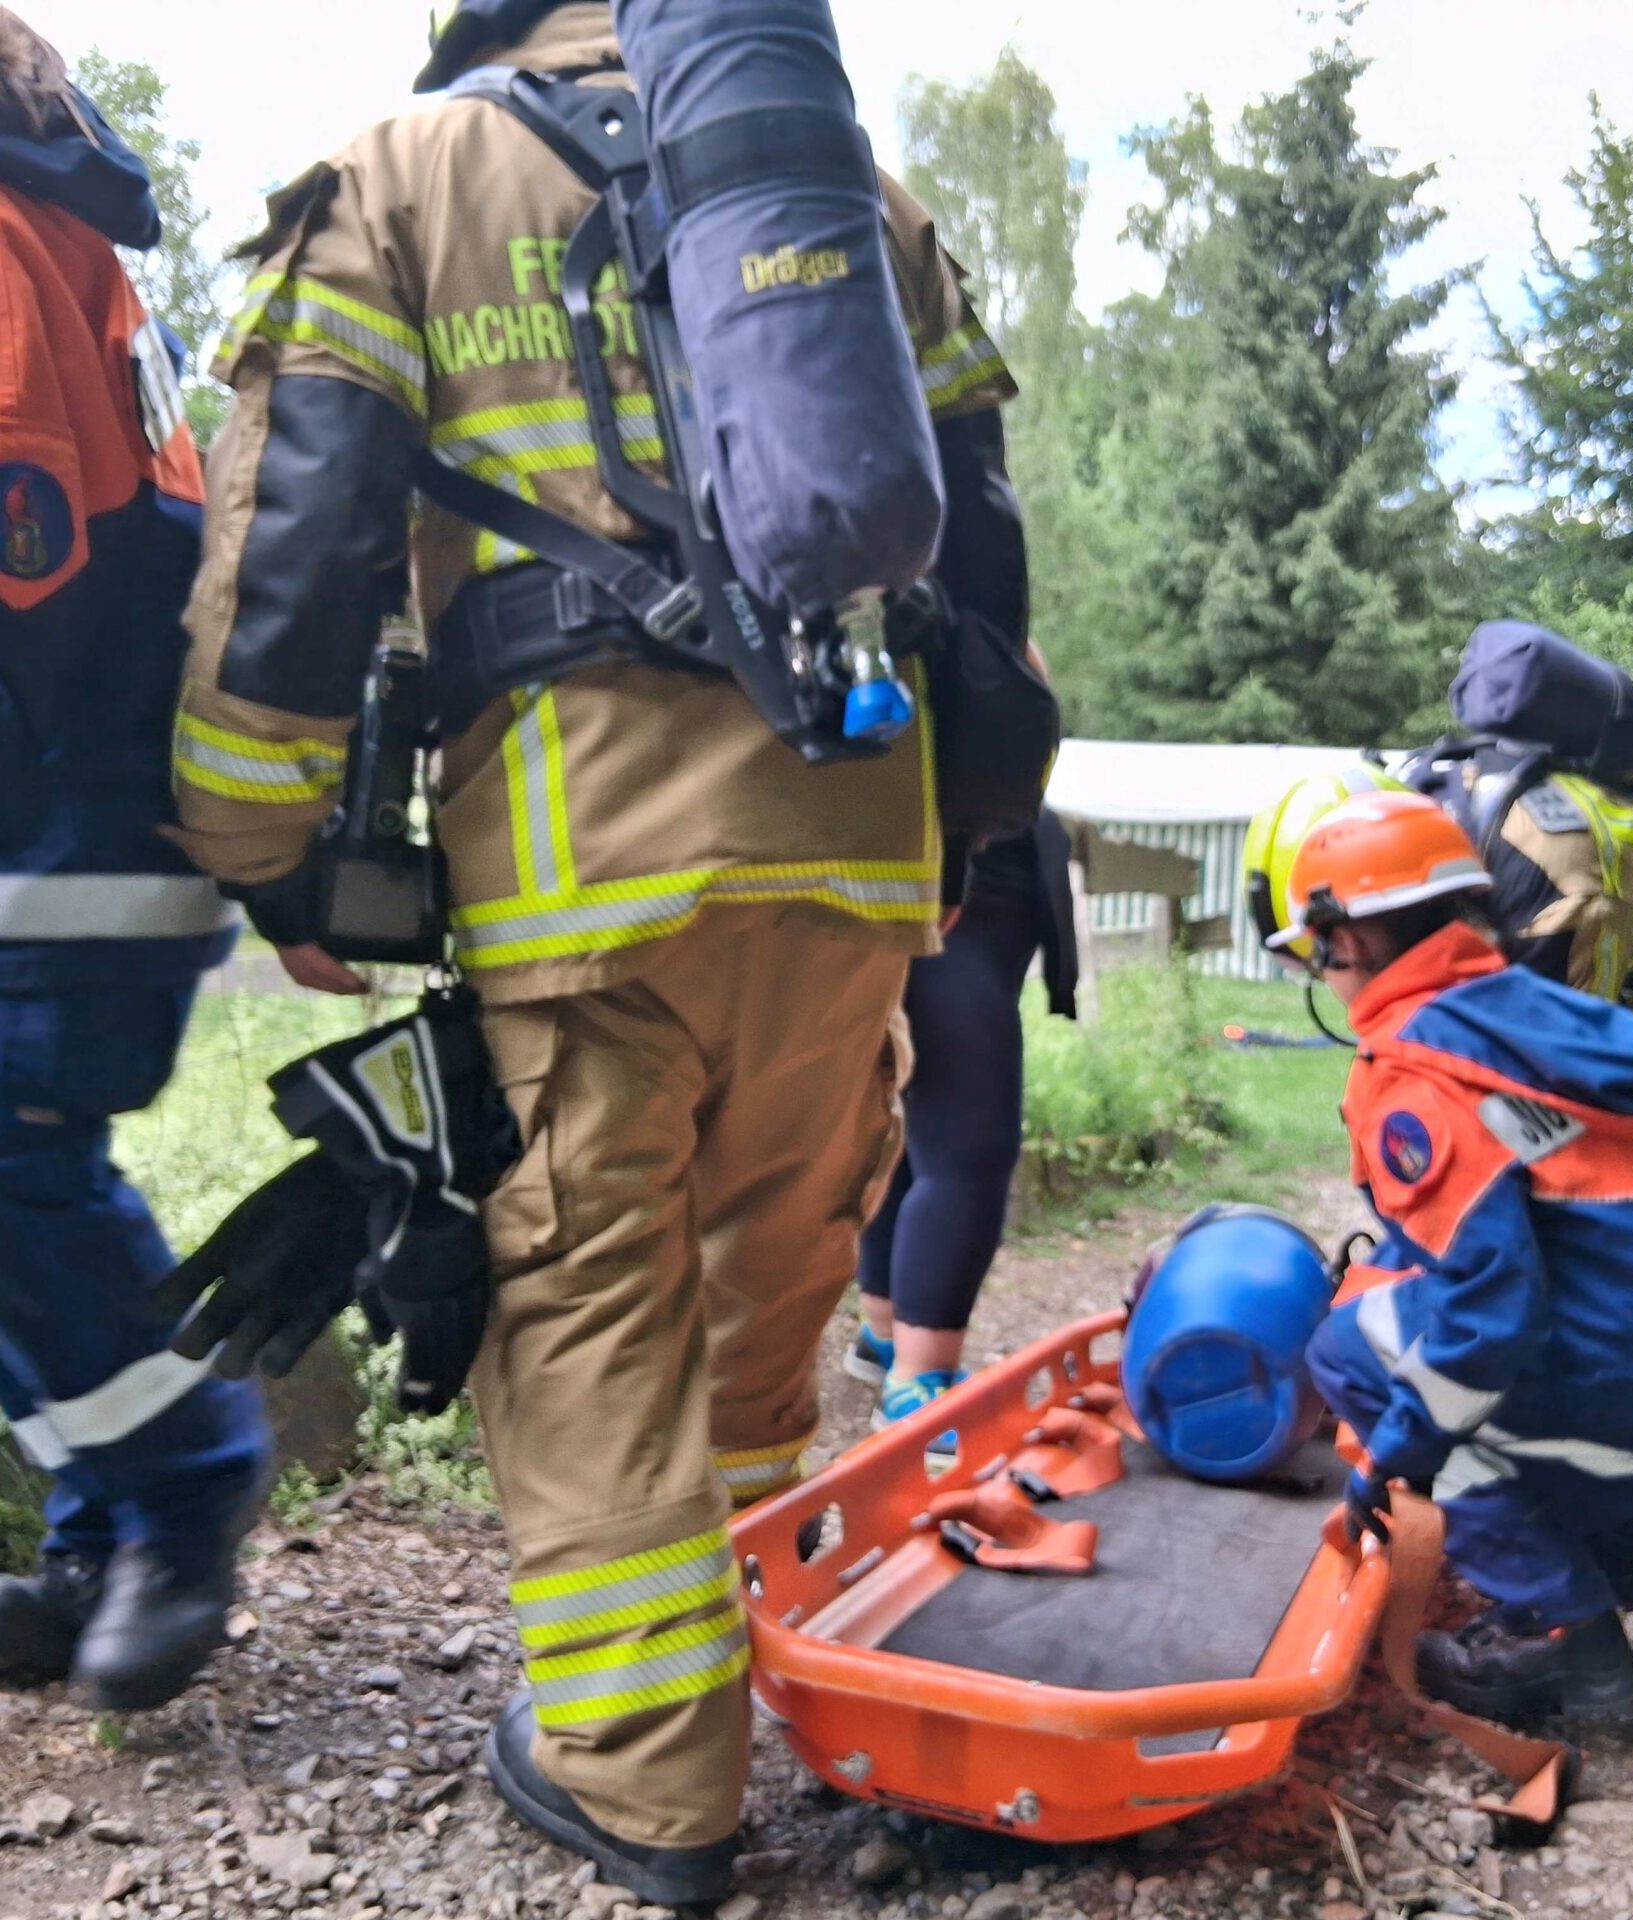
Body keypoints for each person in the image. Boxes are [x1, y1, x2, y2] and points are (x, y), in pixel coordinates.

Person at [166, 0, 1022, 1901]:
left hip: (582, 868)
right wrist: (963, 830)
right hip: (855, 837)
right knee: (765, 1273)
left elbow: (296, 546)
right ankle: (766, 1653)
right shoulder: (846, 189)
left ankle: (645, 1778)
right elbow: (981, 551)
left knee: (590, 1302)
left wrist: (263, 851)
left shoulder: (407, 176)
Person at [1257, 790, 1633, 1729]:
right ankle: (1614, 1546)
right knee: (1414, 1314)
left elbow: (1493, 1309)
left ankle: (1572, 1649)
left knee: (1354, 1356)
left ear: (1345, 939)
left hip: (1624, 1349)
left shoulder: (1417, 1070)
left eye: (1316, 954)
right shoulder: (1518, 1010)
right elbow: (1520, 1202)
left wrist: (1394, 1455)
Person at [0, 11, 269, 1711]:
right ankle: (107, 1531)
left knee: (11, 1159)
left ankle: (185, 1482)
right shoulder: (53, 223)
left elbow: (26, 577)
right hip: (90, 793)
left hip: (65, 810)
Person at [1247, 750, 1633, 1132]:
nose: (1337, 971)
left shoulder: (1539, 900)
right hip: (1591, 934)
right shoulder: (1432, 846)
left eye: (1328, 955)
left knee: (1631, 1164)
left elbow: (1562, 1078)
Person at [851, 807, 1077, 1428]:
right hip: (959, 866)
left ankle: (887, 1336)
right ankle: (919, 1383)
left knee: (916, 1127)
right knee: (970, 1152)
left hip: (930, 858)